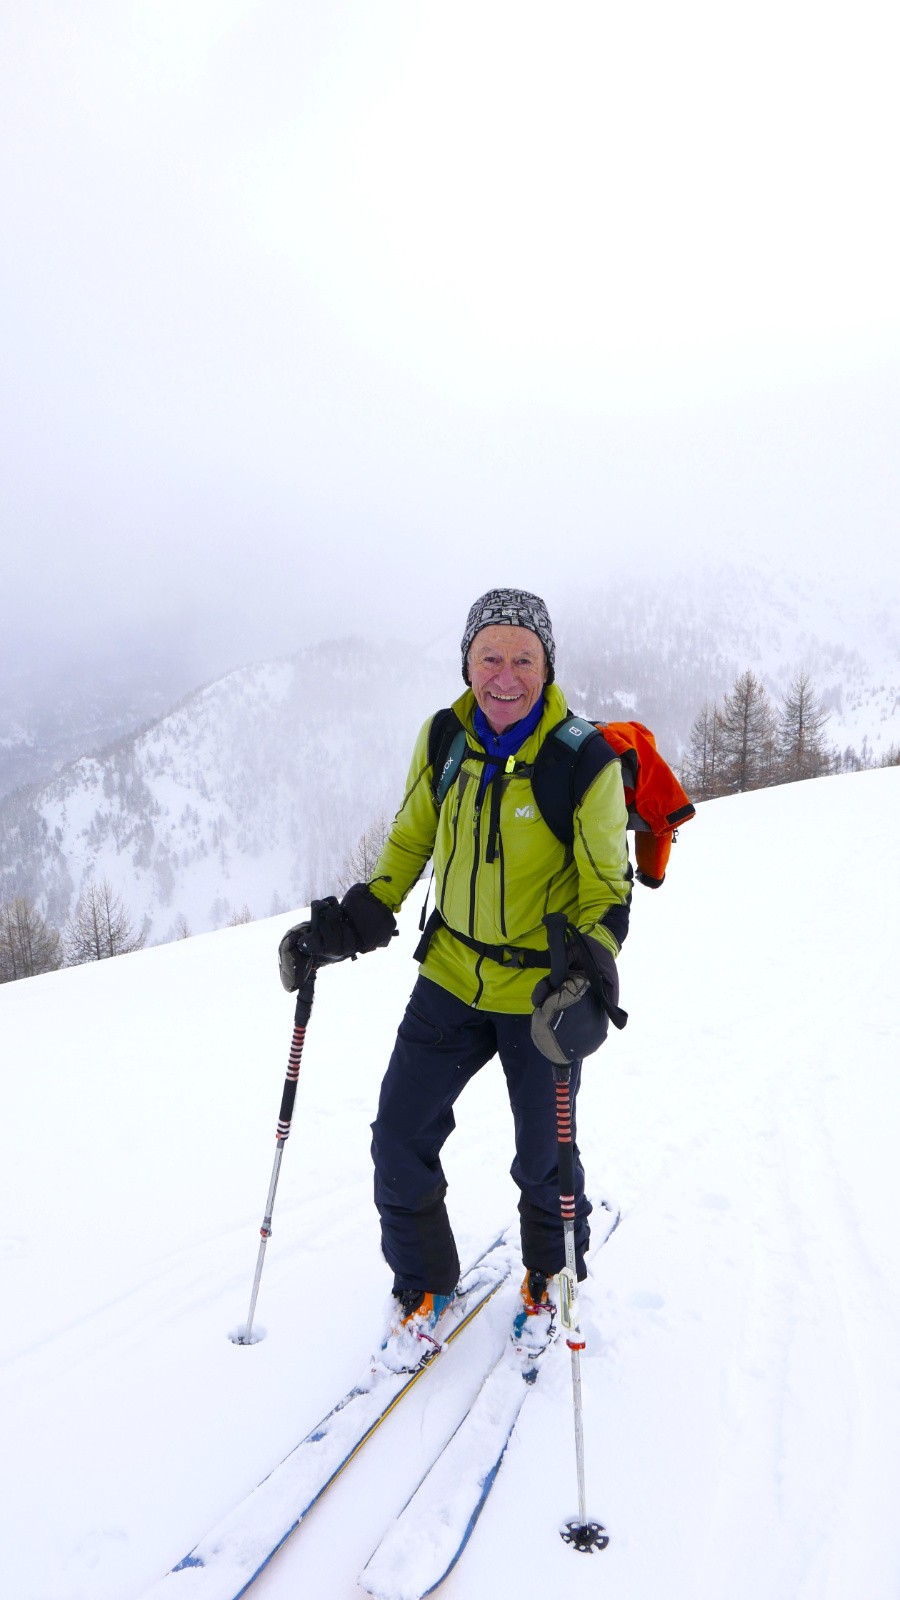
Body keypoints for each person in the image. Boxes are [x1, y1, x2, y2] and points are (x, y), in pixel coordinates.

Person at [278, 587, 631, 1330]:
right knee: (398, 1138)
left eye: (524, 659)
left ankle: (552, 1273)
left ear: (548, 666)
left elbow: (606, 888)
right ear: (467, 665)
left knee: (545, 1158)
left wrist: (588, 978)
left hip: (541, 996)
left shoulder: (583, 761)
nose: (506, 676)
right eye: (489, 657)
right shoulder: (445, 739)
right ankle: (425, 1282)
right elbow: (411, 840)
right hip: (449, 975)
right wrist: (346, 926)